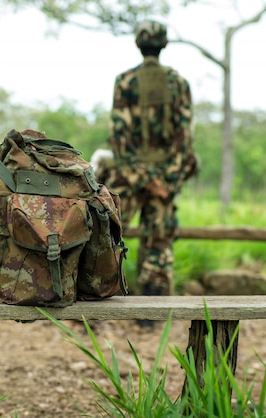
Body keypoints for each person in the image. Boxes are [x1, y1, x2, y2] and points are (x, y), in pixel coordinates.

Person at [104, 20, 199, 309]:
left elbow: (118, 138)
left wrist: (141, 177)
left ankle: (97, 305)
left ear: (137, 43)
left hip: (129, 178)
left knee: (108, 236)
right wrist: (167, 181)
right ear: (165, 44)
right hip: (165, 179)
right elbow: (185, 139)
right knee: (159, 244)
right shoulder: (179, 83)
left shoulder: (125, 81)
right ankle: (152, 310)